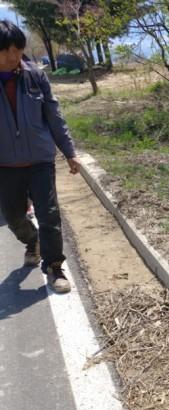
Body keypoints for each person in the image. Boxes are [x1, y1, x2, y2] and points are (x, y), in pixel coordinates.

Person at [0, 20, 81, 293]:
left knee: (49, 215)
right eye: (7, 51)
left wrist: (70, 152)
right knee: (12, 216)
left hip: (40, 161)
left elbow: (54, 117)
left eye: (18, 49)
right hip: (6, 164)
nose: (14, 57)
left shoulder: (35, 76)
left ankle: (54, 266)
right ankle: (31, 240)